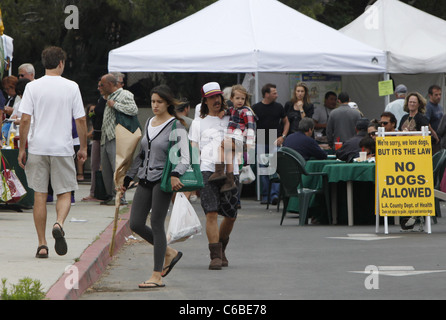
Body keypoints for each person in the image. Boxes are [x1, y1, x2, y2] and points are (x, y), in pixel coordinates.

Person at [18, 46, 87, 258]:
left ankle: (42, 245)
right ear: (61, 63)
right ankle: (59, 223)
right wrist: (83, 147)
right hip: (62, 147)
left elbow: (26, 119)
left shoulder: (32, 87)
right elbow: (81, 119)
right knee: (64, 192)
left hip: (38, 146)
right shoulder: (72, 87)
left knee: (40, 194)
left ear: (44, 63)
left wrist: (22, 147)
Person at [120, 85, 188, 289]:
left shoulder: (176, 126)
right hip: (144, 179)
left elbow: (184, 156)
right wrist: (127, 178)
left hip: (164, 180)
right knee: (136, 224)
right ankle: (169, 252)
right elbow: (141, 154)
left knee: (157, 223)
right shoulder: (149, 122)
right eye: (152, 102)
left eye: (159, 102)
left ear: (168, 102)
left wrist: (176, 174)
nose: (155, 105)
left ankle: (156, 275)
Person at [189, 81, 240, 270]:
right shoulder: (197, 123)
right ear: (205, 101)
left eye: (218, 96)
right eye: (212, 97)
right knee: (211, 212)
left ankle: (222, 247)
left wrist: (230, 146)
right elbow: (194, 149)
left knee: (231, 215)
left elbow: (244, 143)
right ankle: (215, 256)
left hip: (230, 171)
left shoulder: (232, 118)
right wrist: (193, 172)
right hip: (207, 170)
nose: (216, 100)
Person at [208, 84, 256, 193]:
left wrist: (249, 143)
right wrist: (223, 113)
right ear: (231, 99)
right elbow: (228, 111)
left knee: (222, 145)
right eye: (237, 98)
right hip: (234, 137)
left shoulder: (246, 111)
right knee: (229, 155)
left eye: (242, 99)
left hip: (239, 138)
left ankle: (219, 171)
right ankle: (229, 181)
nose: (240, 101)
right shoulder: (233, 109)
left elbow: (251, 127)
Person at [99, 73, 138, 205]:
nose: (100, 87)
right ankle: (111, 196)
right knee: (107, 169)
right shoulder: (108, 96)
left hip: (117, 137)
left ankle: (120, 197)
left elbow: (133, 110)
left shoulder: (124, 94)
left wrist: (115, 105)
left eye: (102, 85)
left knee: (118, 168)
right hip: (106, 138)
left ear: (110, 84)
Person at [252, 83, 289, 205]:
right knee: (263, 169)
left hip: (274, 137)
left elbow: (286, 122)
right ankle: (265, 195)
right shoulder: (256, 108)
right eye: (274, 93)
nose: (276, 95)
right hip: (261, 137)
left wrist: (283, 136)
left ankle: (274, 195)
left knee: (274, 167)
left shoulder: (278, 107)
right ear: (266, 94)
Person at [82, 81, 106, 202]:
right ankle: (94, 192)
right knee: (94, 165)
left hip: (105, 137)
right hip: (97, 136)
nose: (98, 88)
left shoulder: (111, 101)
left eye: (101, 86)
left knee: (103, 165)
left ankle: (103, 192)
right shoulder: (101, 100)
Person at [425, 85, 443, 153]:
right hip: (433, 141)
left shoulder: (440, 107)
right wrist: (434, 134)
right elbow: (426, 122)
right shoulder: (428, 107)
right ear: (430, 95)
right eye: (436, 95)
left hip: (440, 140)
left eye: (440, 94)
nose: (438, 97)